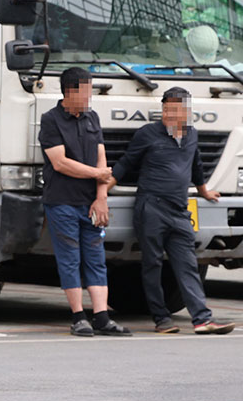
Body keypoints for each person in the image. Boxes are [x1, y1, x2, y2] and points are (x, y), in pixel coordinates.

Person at [111, 87, 234, 334]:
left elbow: (196, 165)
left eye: (180, 109)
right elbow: (125, 164)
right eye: (170, 109)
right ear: (164, 109)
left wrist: (204, 191)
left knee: (188, 263)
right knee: (152, 264)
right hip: (151, 208)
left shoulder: (191, 135)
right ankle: (161, 319)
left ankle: (201, 319)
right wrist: (102, 192)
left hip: (179, 211)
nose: (174, 114)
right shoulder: (148, 133)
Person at [39, 67, 132, 337]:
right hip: (62, 202)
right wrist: (97, 174)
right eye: (85, 91)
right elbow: (60, 163)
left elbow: (101, 156)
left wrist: (102, 197)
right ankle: (78, 317)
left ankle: (102, 317)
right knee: (70, 258)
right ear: (69, 91)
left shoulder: (92, 118)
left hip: (91, 202)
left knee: (96, 258)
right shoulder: (51, 120)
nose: (89, 96)